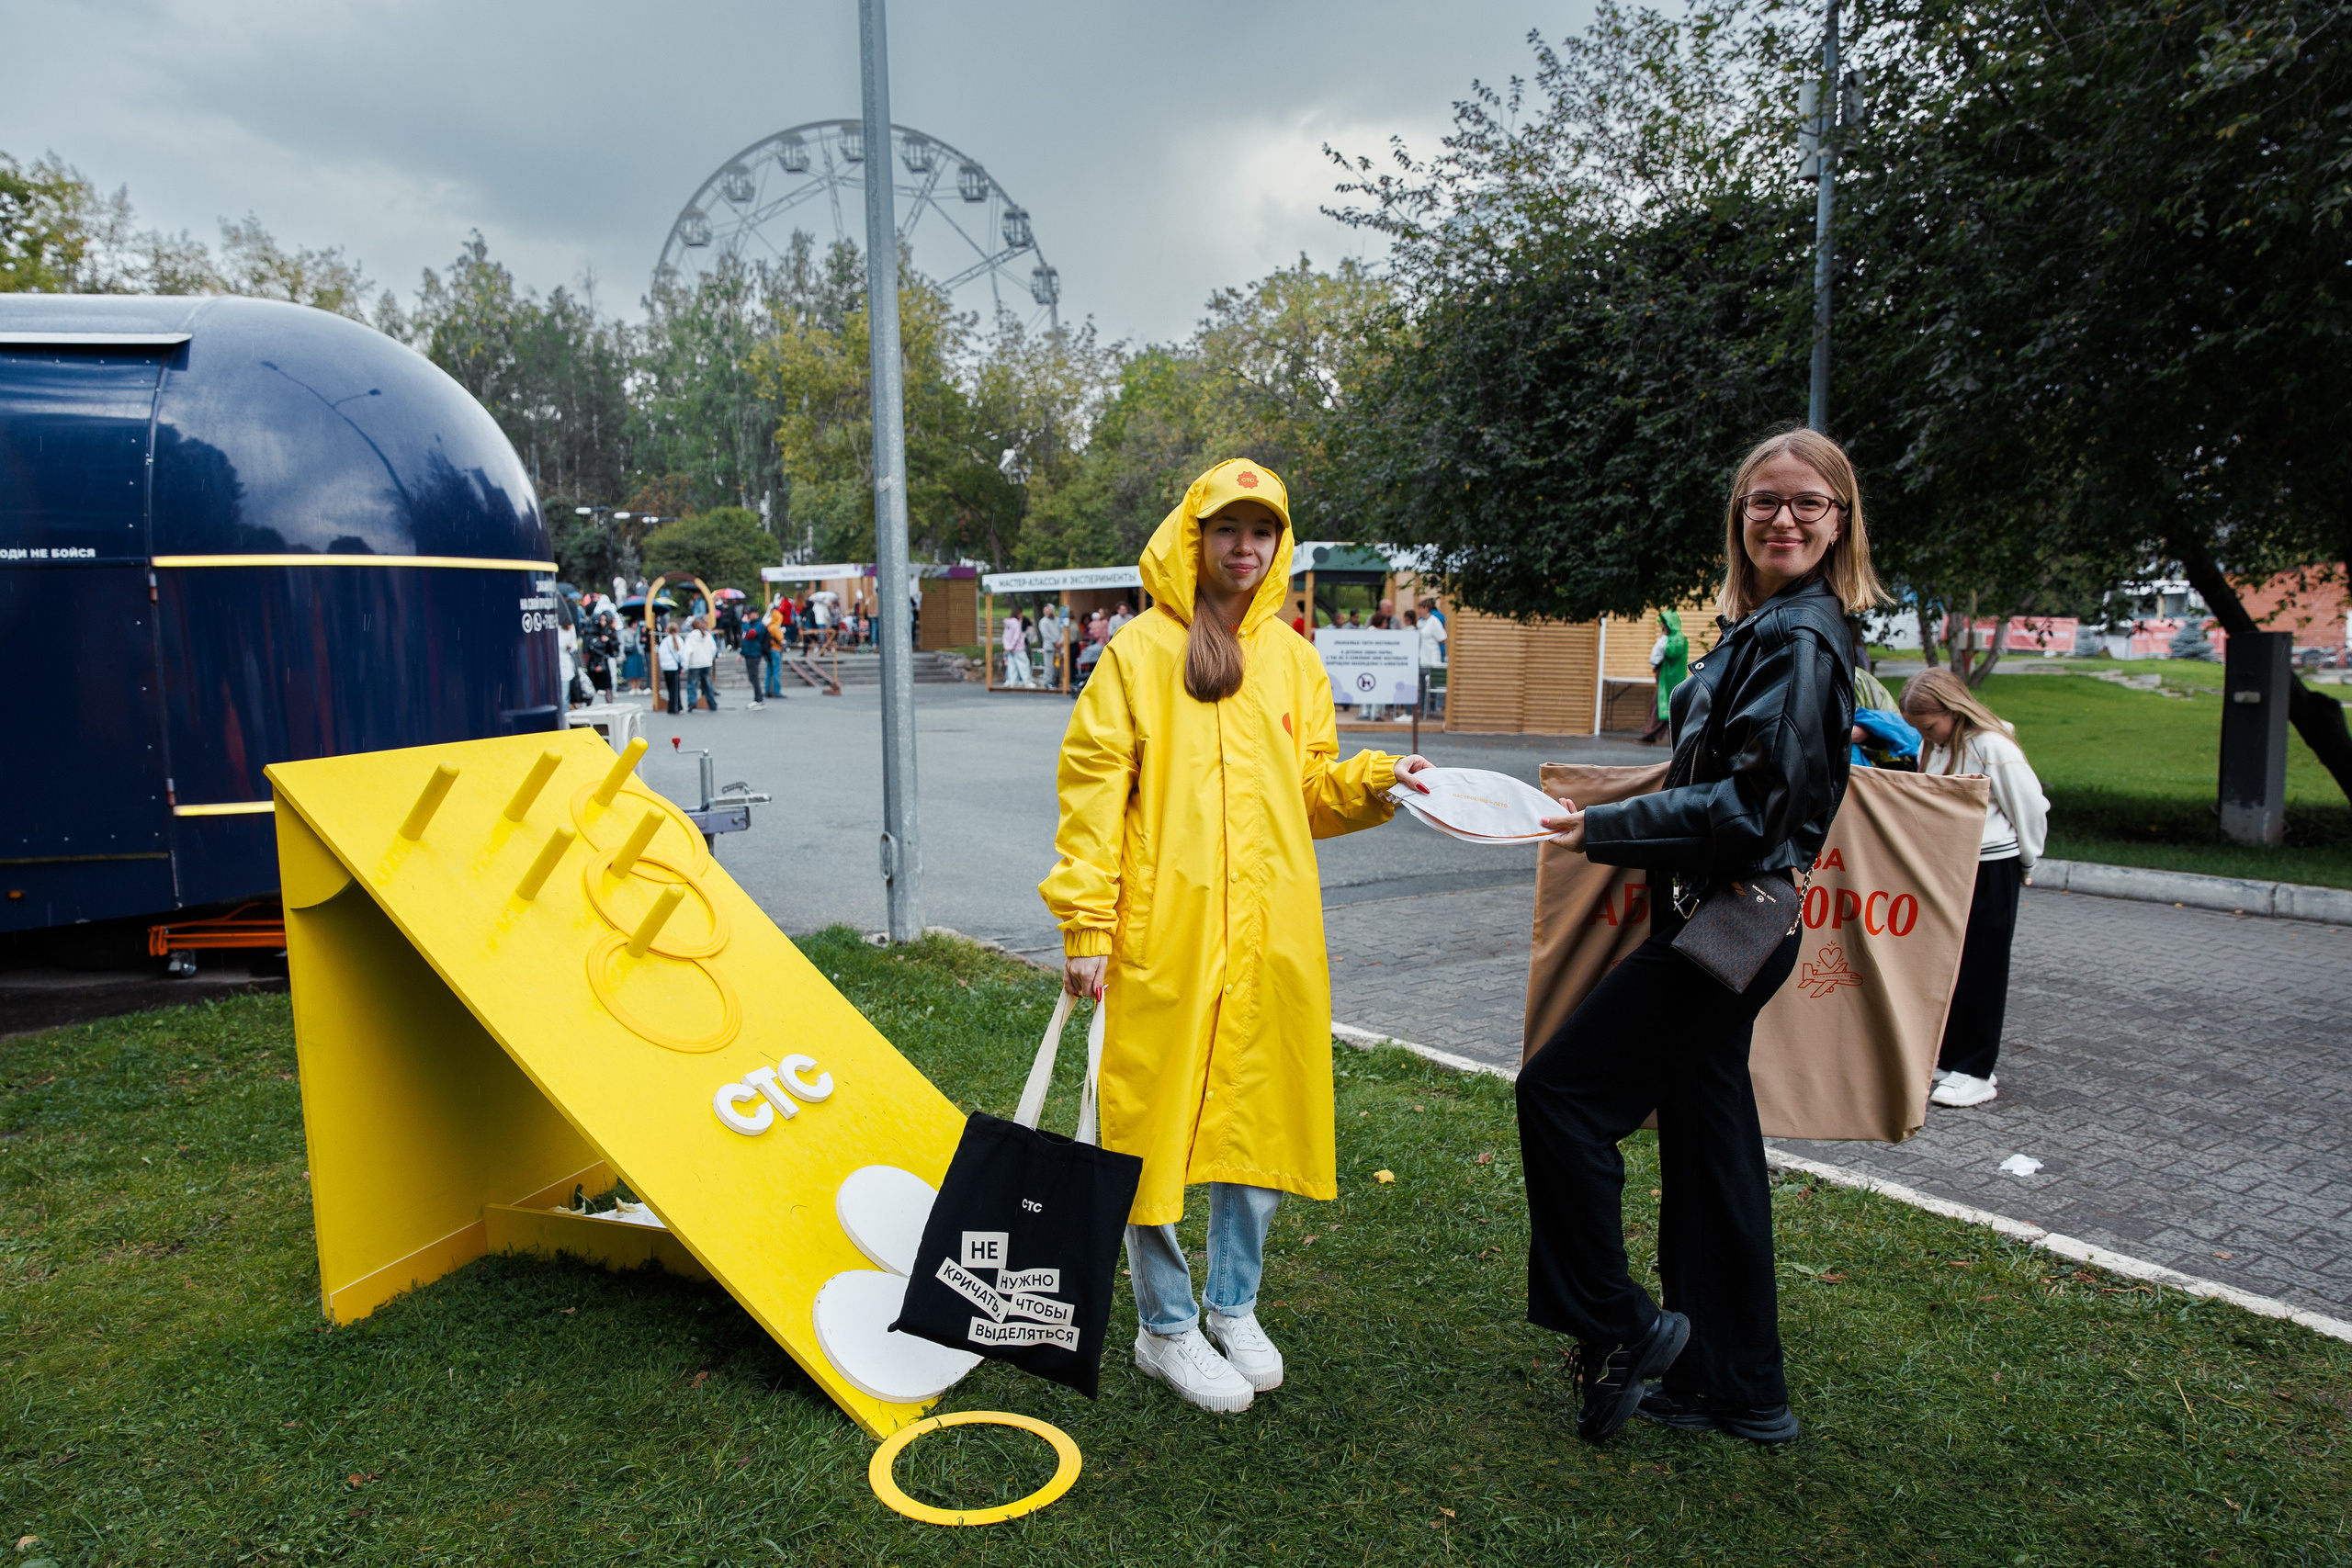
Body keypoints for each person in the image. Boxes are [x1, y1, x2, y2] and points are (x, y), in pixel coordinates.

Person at [1042, 457, 1434, 1416]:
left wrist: (1379, 779)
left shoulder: (1294, 658)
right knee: (1151, 1125)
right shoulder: (1136, 653)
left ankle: (1234, 1304)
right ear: (1195, 536)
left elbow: (1306, 791)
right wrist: (1087, 922)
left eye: (1262, 530)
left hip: (1271, 933)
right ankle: (1164, 1325)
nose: (1244, 547)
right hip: (1161, 935)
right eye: (1227, 528)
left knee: (1258, 1115)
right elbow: (1092, 793)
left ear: (1279, 542)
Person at [1521, 426, 1877, 1448]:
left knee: (1560, 1095)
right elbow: (1713, 775)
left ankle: (1623, 1327)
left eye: (1808, 502)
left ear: (1839, 519)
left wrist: (1598, 827)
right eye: (1764, 501)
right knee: (1713, 1146)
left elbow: (1756, 811)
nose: (1783, 518)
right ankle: (1739, 1387)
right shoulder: (1769, 627)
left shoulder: (1799, 638)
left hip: (1729, 922)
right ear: (1739, 516)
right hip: (1729, 920)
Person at [1900, 669, 2049, 1109]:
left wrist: (2027, 860)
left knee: (1984, 968)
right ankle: (1952, 1061)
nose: (1927, 736)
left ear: (1951, 710)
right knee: (1952, 966)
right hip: (1951, 870)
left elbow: (2031, 806)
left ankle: (1976, 1070)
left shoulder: (1992, 746)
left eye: (1929, 727)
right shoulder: (1939, 745)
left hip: (1992, 866)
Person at [1643, 608, 1690, 745]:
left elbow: (1671, 652)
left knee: (1664, 706)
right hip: (1666, 676)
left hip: (1672, 678)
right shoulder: (1672, 637)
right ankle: (1654, 735)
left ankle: (1653, 734)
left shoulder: (1678, 638)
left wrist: (1664, 638)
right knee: (1663, 706)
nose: (1661, 627)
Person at [684, 616, 718, 712]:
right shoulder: (707, 635)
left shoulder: (691, 637)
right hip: (706, 663)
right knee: (708, 684)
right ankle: (712, 703)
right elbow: (713, 649)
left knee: (692, 684)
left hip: (695, 664)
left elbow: (688, 651)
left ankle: (692, 702)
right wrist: (710, 659)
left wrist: (686, 665)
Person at [740, 614, 773, 710]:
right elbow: (745, 638)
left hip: (755, 653)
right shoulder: (751, 624)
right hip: (748, 653)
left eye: (749, 614)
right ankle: (758, 698)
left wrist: (745, 623)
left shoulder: (758, 625)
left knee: (754, 677)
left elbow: (751, 634)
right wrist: (741, 652)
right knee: (752, 677)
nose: (747, 616)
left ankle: (759, 699)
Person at [657, 620, 684, 715]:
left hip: (666, 667)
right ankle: (676, 707)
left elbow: (661, 653)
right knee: (675, 688)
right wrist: (683, 665)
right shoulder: (678, 640)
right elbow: (682, 654)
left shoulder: (665, 641)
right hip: (674, 666)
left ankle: (673, 706)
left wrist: (663, 665)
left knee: (670, 688)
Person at [1001, 610, 1033, 686]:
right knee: (1024, 665)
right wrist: (1012, 646)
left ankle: (1012, 682)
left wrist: (1007, 647)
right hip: (1018, 648)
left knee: (1012, 666)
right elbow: (1016, 636)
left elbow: (1005, 636)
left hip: (1010, 649)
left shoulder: (1008, 624)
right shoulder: (1016, 624)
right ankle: (1027, 682)